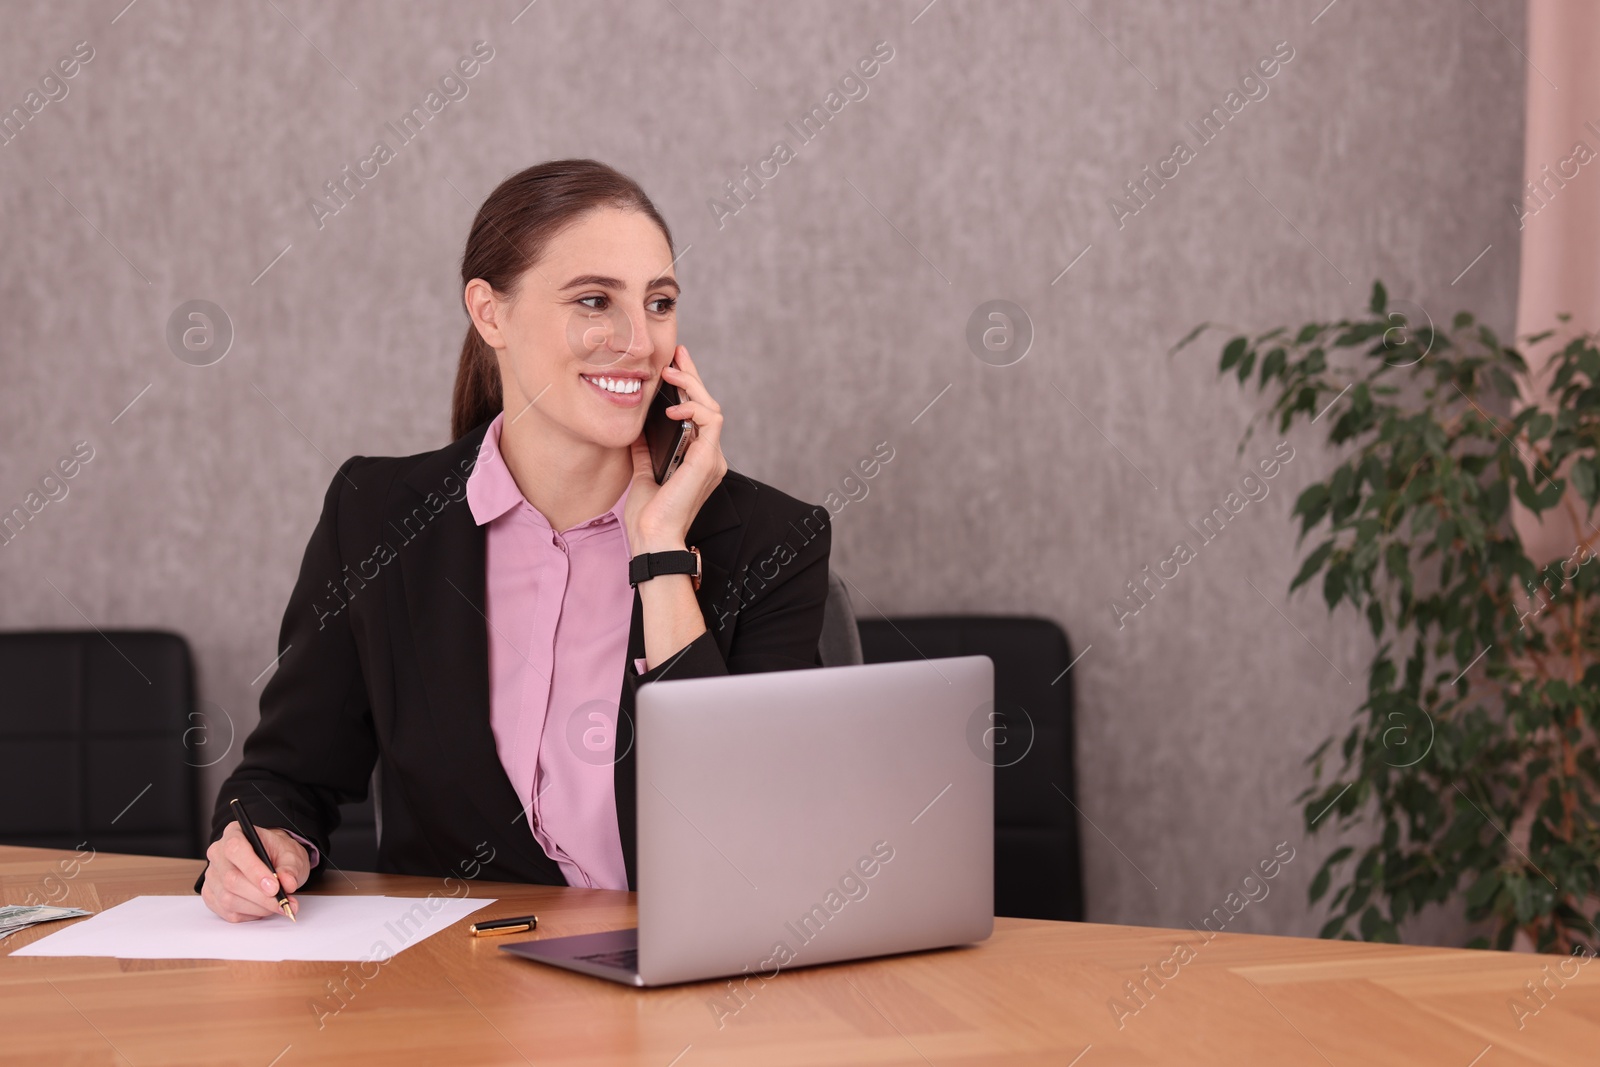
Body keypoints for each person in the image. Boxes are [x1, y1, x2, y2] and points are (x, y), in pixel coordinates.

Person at [194, 159, 832, 922]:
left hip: (676, 997)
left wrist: (660, 552)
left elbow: (749, 837)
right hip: (452, 998)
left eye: (659, 303)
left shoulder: (767, 540)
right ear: (489, 314)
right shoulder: (374, 516)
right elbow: (290, 771)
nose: (638, 341)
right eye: (595, 300)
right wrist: (265, 836)